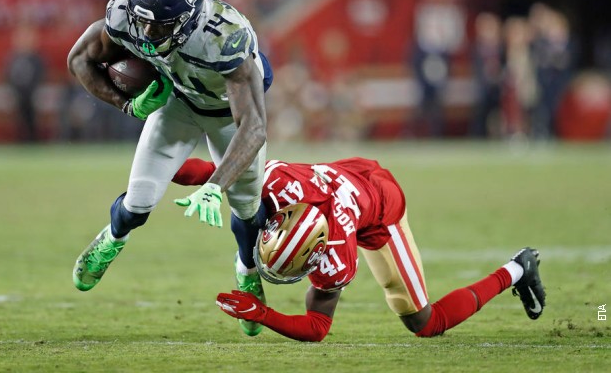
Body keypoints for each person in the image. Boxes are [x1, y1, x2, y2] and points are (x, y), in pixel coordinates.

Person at [67, 0, 272, 337]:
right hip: (178, 104)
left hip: (229, 117)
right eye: (143, 20)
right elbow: (80, 59)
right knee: (139, 201)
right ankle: (111, 239)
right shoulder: (126, 14)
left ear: (188, 17)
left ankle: (247, 271)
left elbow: (255, 127)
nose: (147, 31)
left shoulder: (225, 37)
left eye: (160, 24)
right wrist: (126, 105)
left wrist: (215, 186)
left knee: (247, 208)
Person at [172, 156, 546, 341]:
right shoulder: (277, 183)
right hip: (349, 174)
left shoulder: (336, 255)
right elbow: (211, 169)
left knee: (425, 323)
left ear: (317, 253)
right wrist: (154, 166)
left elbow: (318, 327)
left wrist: (264, 314)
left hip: (381, 211)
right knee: (245, 204)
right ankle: (247, 266)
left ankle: (518, 268)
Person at [4, 24, 46, 142]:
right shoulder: (12, 58)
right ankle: (20, 138)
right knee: (20, 114)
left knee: (31, 113)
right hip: (17, 93)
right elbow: (8, 75)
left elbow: (40, 75)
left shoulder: (37, 58)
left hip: (33, 93)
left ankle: (32, 138)